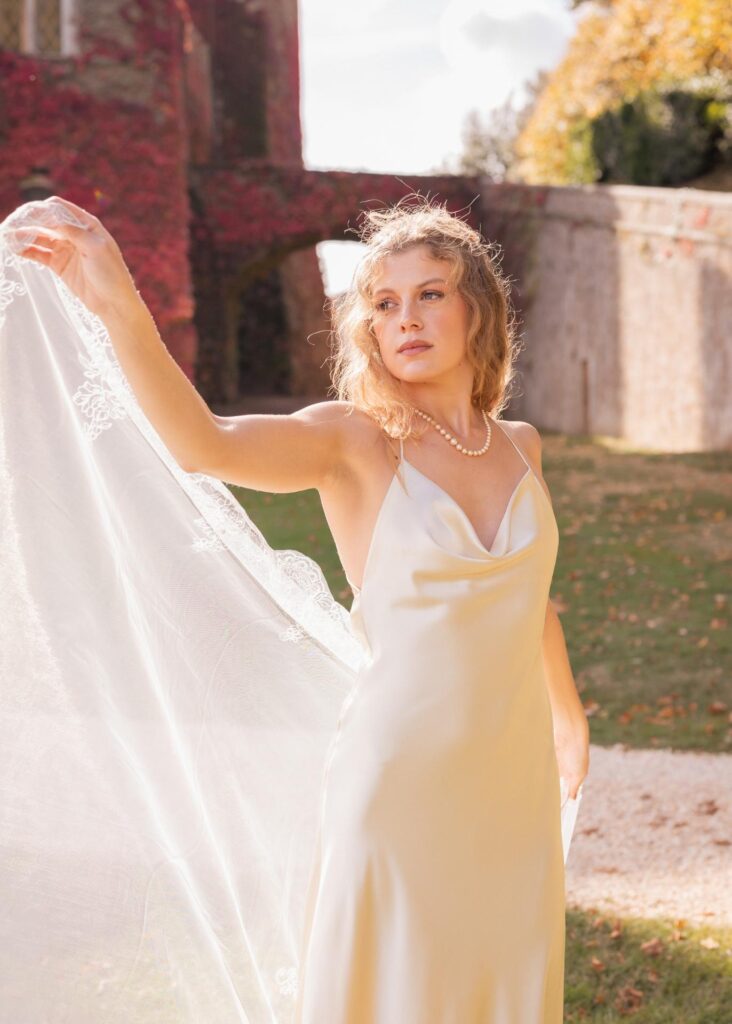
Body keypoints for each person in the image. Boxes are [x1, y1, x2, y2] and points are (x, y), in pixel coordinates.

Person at [1, 193, 588, 1022]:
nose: (406, 318)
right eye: (383, 303)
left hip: (512, 780)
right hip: (401, 781)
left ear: (477, 311)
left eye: (430, 294)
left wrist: (569, 717)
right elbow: (203, 445)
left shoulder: (521, 447)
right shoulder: (354, 439)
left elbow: (528, 602)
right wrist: (117, 302)